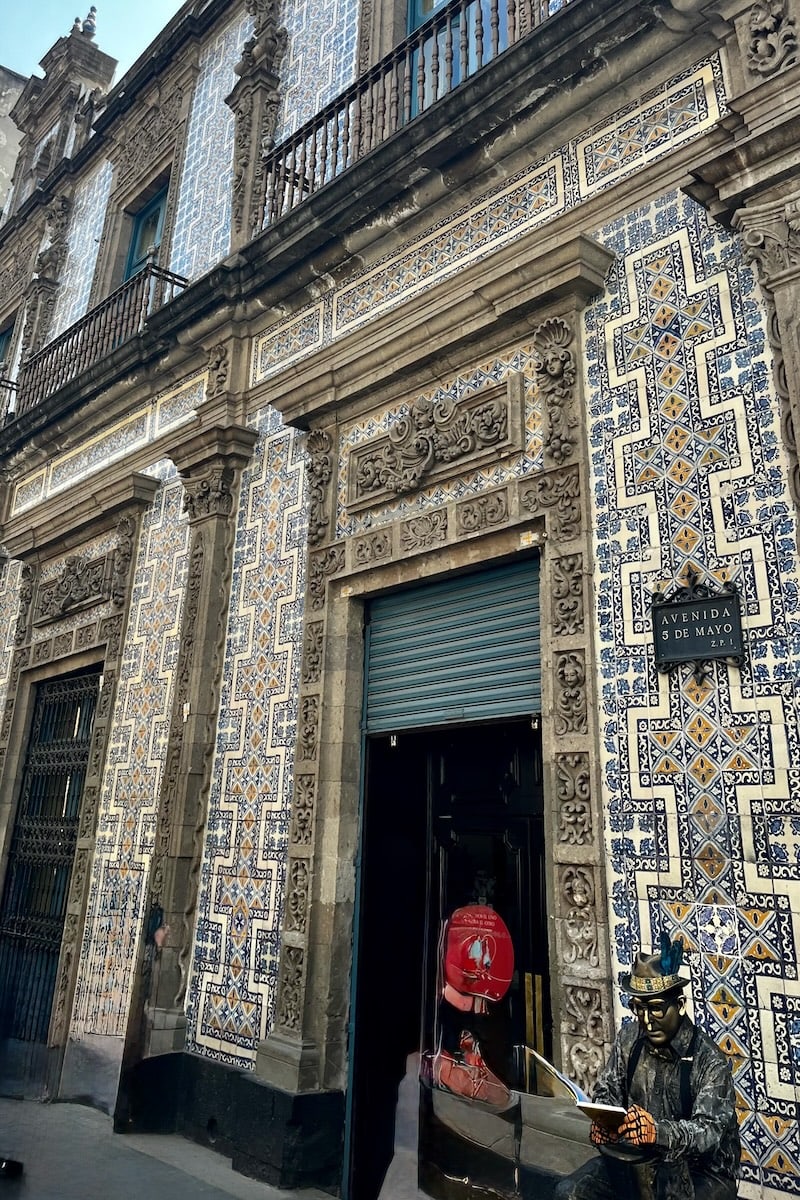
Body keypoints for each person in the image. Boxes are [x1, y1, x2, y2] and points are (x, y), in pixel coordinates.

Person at [555, 934, 740, 1200]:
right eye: (638, 1009)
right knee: (570, 1193)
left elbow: (708, 1132)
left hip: (702, 1172)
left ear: (679, 1006)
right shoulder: (629, 1039)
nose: (647, 1020)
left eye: (655, 1009)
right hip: (640, 1162)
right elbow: (607, 1091)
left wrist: (657, 1131)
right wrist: (604, 1122)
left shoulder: (709, 1061)